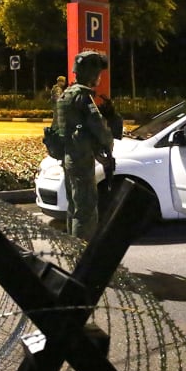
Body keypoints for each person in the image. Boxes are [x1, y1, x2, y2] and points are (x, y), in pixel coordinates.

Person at [54, 51, 114, 240]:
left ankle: (75, 252)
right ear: (91, 74)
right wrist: (108, 143)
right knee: (86, 211)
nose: (99, 77)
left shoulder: (66, 95)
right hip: (80, 160)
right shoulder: (83, 97)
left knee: (74, 208)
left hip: (68, 157)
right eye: (98, 73)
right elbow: (99, 128)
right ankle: (83, 257)